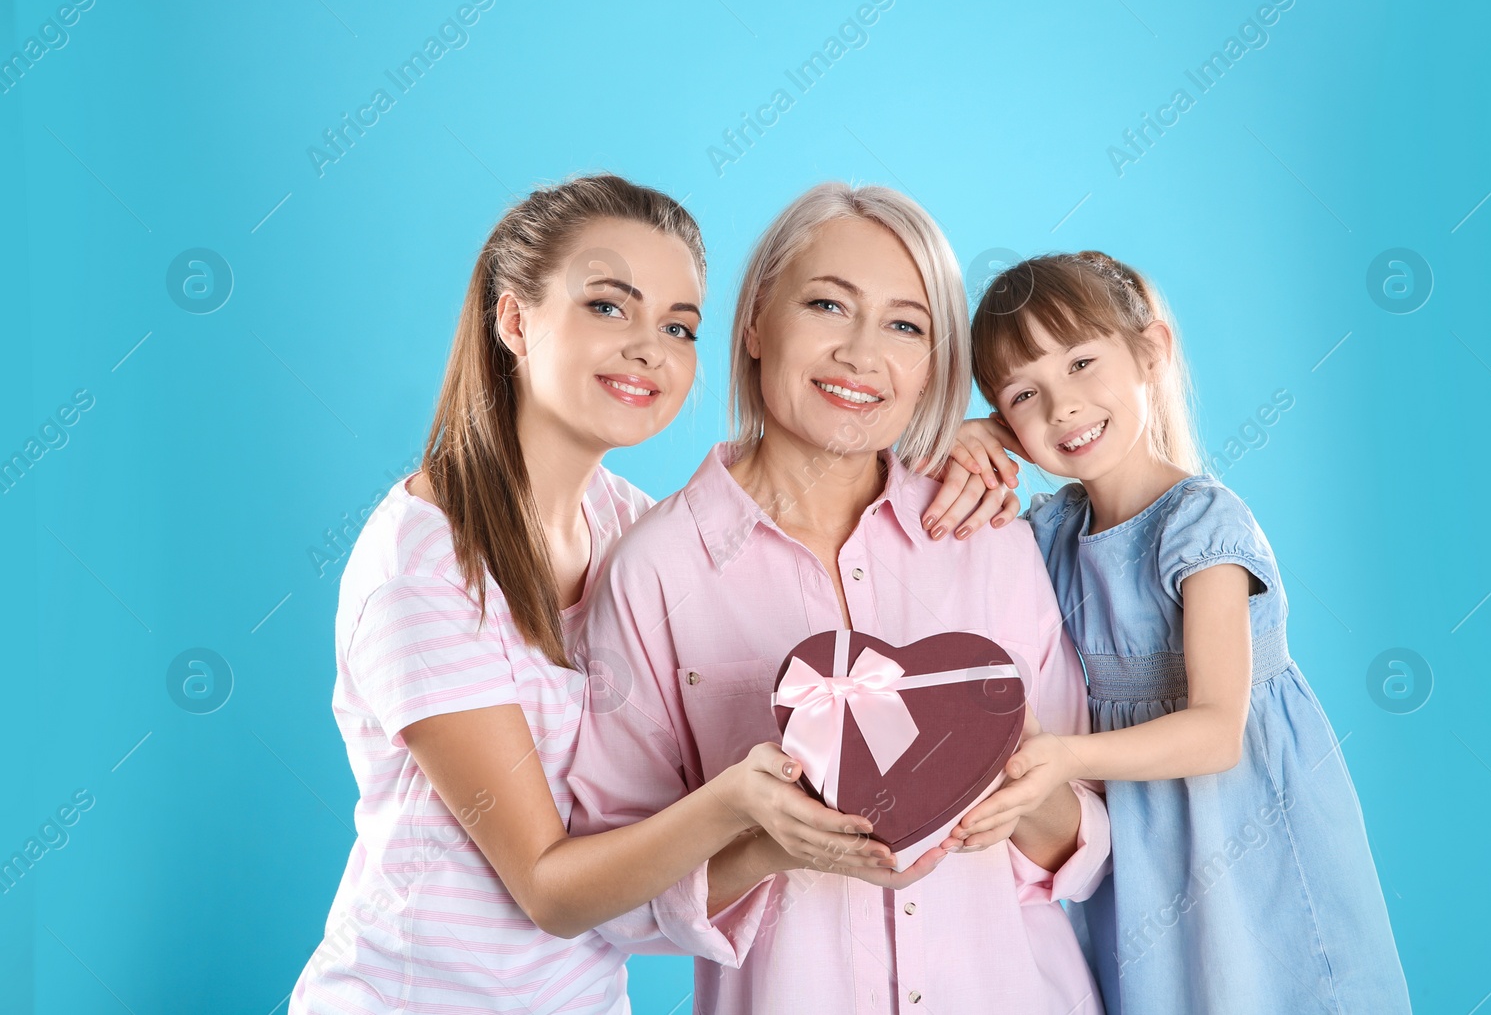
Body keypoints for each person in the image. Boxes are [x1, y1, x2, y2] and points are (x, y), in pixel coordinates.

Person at [289, 175, 1016, 1014]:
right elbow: (549, 888)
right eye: (608, 307)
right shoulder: (425, 567)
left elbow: (787, 482)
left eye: (677, 326)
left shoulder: (626, 527)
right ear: (514, 318)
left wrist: (953, 445)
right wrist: (737, 805)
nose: (649, 349)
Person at [567, 183, 1111, 1015]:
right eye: (828, 304)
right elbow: (613, 894)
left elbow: (1096, 840)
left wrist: (1022, 787)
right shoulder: (655, 572)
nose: (862, 355)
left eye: (905, 325)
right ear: (753, 322)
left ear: (933, 364)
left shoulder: (987, 534)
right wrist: (766, 845)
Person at [955, 250, 1411, 1013]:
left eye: (1081, 363)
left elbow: (1214, 733)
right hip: (1146, 843)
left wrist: (1061, 753)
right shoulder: (1052, 533)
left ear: (1151, 351)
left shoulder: (1200, 521)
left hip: (1248, 818)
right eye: (1025, 393)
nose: (1062, 406)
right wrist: (956, 441)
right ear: (1007, 421)